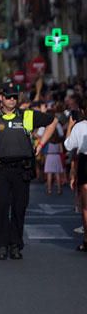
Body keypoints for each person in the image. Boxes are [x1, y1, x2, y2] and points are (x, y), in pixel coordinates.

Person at [0, 82, 58, 260]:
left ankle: (15, 245)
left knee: (20, 208)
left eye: (14, 97)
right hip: (1, 171)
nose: (12, 100)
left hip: (22, 170)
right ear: (1, 98)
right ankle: (2, 245)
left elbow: (53, 121)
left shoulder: (27, 116)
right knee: (2, 207)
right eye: (8, 96)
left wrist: (41, 144)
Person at [65, 98, 87, 251]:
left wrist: (70, 126)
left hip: (85, 162)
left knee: (86, 207)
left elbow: (68, 145)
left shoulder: (79, 127)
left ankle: (86, 239)